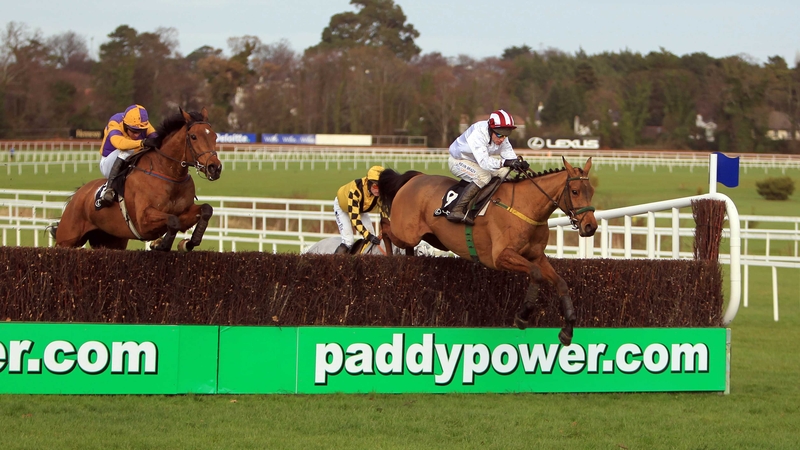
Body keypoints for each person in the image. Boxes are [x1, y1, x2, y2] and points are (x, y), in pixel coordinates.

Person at [446, 109, 529, 225]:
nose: (502, 139)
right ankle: (457, 209)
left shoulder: (501, 136)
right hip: (458, 161)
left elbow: (510, 157)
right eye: (499, 134)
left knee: (504, 173)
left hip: (476, 162)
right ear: (491, 129)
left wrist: (519, 165)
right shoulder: (478, 133)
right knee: (484, 177)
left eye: (506, 135)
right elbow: (485, 162)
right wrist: (505, 163)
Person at [96, 104, 158, 208]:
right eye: (133, 131)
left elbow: (157, 140)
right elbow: (119, 143)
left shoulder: (143, 124)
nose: (137, 135)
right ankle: (109, 189)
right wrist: (142, 143)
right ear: (125, 124)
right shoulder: (115, 122)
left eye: (140, 132)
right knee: (127, 149)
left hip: (128, 163)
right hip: (108, 164)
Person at [333, 165, 386, 254]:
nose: (378, 191)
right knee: (348, 241)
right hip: (343, 207)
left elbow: (384, 213)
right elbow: (355, 219)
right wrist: (368, 235)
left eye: (381, 187)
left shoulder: (379, 194)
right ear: (368, 182)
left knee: (371, 239)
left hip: (360, 209)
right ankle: (335, 265)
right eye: (376, 187)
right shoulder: (355, 191)